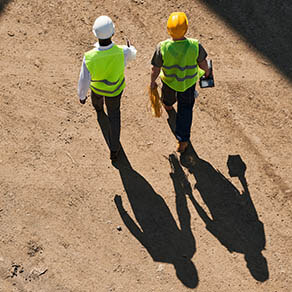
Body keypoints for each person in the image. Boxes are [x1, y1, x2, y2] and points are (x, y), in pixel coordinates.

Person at [78, 15, 137, 161]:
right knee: (114, 116)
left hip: (97, 88)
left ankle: (98, 110)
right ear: (113, 33)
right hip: (115, 91)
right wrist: (130, 47)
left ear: (95, 34)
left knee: (96, 99)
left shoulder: (89, 56)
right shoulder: (122, 51)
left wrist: (82, 96)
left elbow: (84, 78)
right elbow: (132, 55)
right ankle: (114, 150)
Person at [150, 12, 210, 153]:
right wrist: (207, 72)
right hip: (188, 84)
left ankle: (168, 106)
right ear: (186, 29)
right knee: (185, 110)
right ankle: (182, 140)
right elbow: (203, 63)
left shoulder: (162, 47)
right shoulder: (195, 45)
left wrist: (152, 81)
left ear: (168, 29)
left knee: (168, 98)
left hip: (169, 82)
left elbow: (155, 68)